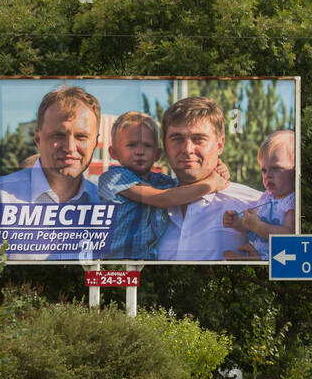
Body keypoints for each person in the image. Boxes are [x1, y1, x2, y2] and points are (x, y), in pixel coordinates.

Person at [0, 85, 104, 259]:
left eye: (81, 137)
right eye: (58, 135)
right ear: (38, 139)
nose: (70, 147)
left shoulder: (104, 204)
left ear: (95, 142)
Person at [98, 111, 231, 260]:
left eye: (147, 146)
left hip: (147, 264)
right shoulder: (114, 177)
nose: (140, 152)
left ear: (157, 154)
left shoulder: (162, 182)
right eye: (131, 145)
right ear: (113, 152)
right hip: (113, 262)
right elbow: (162, 199)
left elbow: (185, 188)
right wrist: (211, 183)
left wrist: (216, 169)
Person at [155, 96, 265, 261]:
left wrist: (263, 266)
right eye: (177, 139)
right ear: (165, 145)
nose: (187, 149)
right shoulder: (148, 208)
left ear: (220, 145)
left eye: (199, 139)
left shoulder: (255, 204)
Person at [222, 129, 297, 260]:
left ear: (295, 170)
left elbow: (290, 235)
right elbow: (253, 229)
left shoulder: (291, 201)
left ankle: (249, 259)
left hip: (279, 257)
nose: (268, 175)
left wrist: (257, 226)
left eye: (275, 168)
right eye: (264, 170)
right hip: (259, 248)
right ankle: (249, 257)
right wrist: (240, 223)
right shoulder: (266, 197)